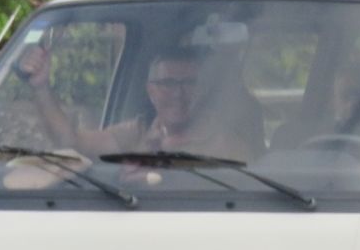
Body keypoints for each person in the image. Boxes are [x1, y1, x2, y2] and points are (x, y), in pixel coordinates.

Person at [14, 43, 259, 162]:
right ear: (151, 91)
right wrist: (41, 86)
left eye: (188, 83)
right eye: (168, 84)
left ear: (202, 90)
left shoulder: (227, 144)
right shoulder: (135, 133)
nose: (178, 94)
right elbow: (70, 143)